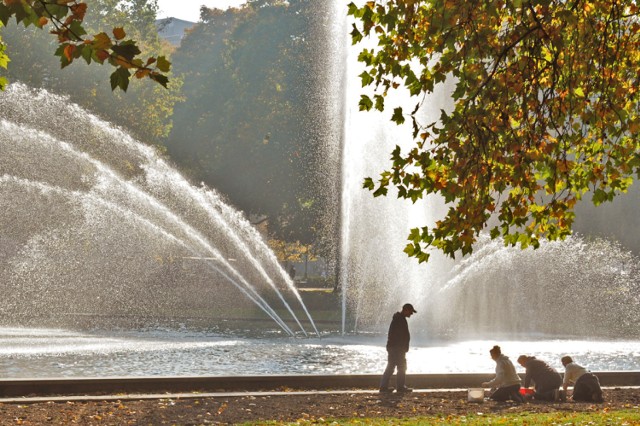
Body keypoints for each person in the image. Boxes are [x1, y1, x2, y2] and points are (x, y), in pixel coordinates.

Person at [379, 303, 416, 393]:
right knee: (401, 367)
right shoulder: (399, 319)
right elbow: (397, 335)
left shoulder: (399, 318)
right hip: (397, 348)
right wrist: (401, 347)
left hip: (395, 348)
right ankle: (399, 387)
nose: (411, 314)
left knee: (391, 366)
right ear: (406, 310)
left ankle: (384, 387)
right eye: (410, 312)